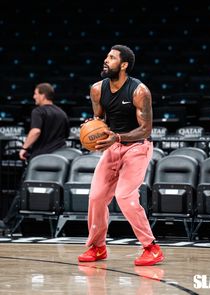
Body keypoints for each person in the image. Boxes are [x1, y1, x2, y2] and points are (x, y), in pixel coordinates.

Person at [78, 45, 165, 266]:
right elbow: (100, 120)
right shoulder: (97, 89)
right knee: (96, 197)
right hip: (113, 147)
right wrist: (92, 126)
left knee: (125, 195)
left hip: (137, 146)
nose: (106, 60)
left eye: (112, 57)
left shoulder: (139, 91)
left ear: (124, 65)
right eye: (106, 56)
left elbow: (145, 129)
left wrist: (116, 137)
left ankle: (151, 247)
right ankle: (98, 247)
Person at [0, 82, 70, 230]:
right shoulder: (62, 113)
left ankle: (8, 222)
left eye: (35, 93)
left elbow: (35, 131)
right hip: (58, 162)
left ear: (43, 95)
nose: (34, 97)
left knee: (24, 191)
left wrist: (24, 147)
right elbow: (66, 136)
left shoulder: (38, 111)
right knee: (56, 194)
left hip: (39, 160)